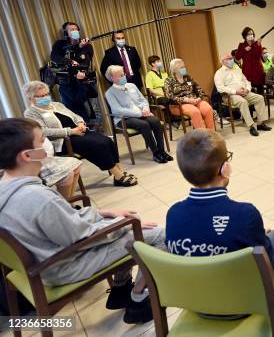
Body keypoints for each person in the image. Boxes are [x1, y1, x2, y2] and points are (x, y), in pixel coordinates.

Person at [0, 118, 165, 324]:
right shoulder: (38, 198)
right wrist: (121, 225)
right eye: (42, 141)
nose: (47, 145)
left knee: (125, 228)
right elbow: (81, 237)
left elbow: (65, 220)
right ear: (26, 155)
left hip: (39, 260)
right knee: (158, 234)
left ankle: (121, 289)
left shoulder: (6, 188)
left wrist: (103, 213)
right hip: (62, 266)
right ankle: (139, 299)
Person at [166, 129, 274, 266]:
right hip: (241, 286)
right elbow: (265, 260)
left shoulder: (173, 214)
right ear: (224, 168)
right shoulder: (246, 214)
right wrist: (257, 233)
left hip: (192, 285)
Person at [22, 81, 138, 187]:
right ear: (30, 98)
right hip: (64, 140)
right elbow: (43, 131)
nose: (45, 98)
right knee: (97, 145)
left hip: (79, 131)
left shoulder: (57, 105)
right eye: (41, 96)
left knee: (107, 141)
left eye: (46, 94)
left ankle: (120, 171)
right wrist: (71, 131)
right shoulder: (31, 113)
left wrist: (80, 123)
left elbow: (75, 115)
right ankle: (118, 176)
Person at [105, 65, 173, 164]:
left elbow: (143, 100)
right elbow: (117, 110)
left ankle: (162, 150)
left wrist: (145, 109)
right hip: (124, 118)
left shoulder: (131, 86)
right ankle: (156, 153)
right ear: (112, 78)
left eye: (123, 74)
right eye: (120, 75)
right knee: (144, 125)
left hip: (142, 114)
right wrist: (139, 113)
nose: (124, 76)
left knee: (155, 121)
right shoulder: (110, 93)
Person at [214, 53, 271, 136]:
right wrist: (235, 91)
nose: (231, 60)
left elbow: (246, 81)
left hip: (244, 92)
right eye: (228, 59)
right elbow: (220, 88)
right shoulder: (219, 73)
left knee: (260, 98)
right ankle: (251, 126)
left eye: (231, 58)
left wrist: (247, 89)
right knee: (242, 102)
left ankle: (260, 123)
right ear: (222, 62)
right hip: (230, 95)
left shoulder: (237, 69)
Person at [50, 21, 97, 122]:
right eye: (72, 29)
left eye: (76, 29)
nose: (75, 31)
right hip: (66, 83)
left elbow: (85, 62)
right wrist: (69, 61)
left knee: (84, 109)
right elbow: (54, 57)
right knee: (70, 110)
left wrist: (80, 47)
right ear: (66, 33)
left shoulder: (86, 45)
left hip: (81, 82)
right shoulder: (60, 44)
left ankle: (88, 128)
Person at [164, 58, 215, 130]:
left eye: (184, 67)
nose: (184, 69)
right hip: (178, 104)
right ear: (175, 70)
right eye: (181, 68)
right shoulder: (169, 81)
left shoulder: (188, 78)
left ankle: (212, 133)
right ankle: (202, 136)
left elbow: (200, 90)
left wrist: (199, 98)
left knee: (208, 109)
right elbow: (170, 96)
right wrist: (186, 100)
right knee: (195, 112)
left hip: (195, 101)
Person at [235, 27, 265, 94]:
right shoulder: (241, 45)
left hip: (258, 70)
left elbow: (259, 56)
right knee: (249, 90)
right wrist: (244, 50)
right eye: (248, 34)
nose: (250, 35)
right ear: (245, 36)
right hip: (247, 71)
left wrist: (259, 45)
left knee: (260, 90)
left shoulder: (257, 44)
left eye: (252, 34)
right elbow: (237, 57)